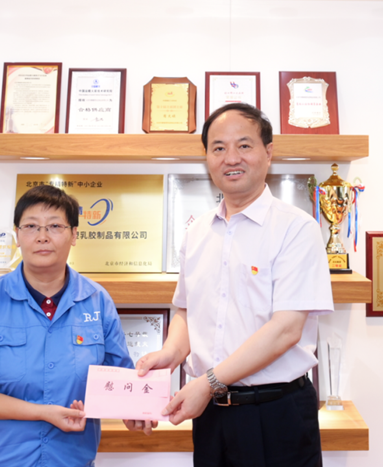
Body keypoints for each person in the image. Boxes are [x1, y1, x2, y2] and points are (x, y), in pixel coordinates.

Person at [134, 103, 334, 467]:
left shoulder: (296, 228)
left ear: (268, 152)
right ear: (207, 157)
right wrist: (171, 353)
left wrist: (207, 382)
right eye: (218, 148)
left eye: (244, 145)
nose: (231, 158)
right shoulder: (197, 231)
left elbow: (286, 330)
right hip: (211, 414)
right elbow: (187, 310)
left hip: (276, 414)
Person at [0, 185, 135, 467]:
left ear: (75, 235)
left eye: (55, 226)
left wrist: (137, 411)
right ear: (17, 235)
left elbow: (121, 383)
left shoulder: (97, 300)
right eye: (30, 226)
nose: (42, 236)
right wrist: (42, 412)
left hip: (70, 460)